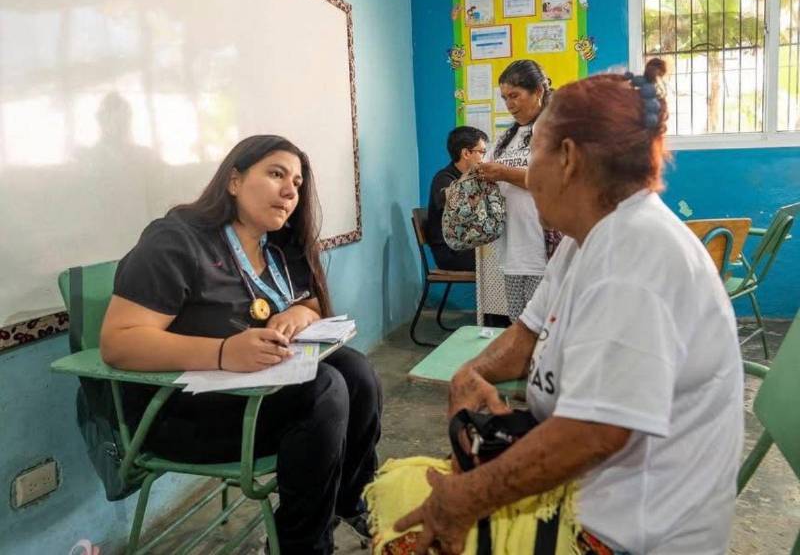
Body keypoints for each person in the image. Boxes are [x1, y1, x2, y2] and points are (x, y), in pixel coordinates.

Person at [396, 59, 744, 554]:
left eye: (532, 152)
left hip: (629, 534)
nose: (526, 172)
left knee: (412, 527)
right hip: (586, 498)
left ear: (568, 157)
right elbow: (526, 334)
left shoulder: (635, 257)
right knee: (405, 500)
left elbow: (593, 433)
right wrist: (470, 374)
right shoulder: (586, 239)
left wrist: (465, 499)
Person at [100, 135, 382, 555]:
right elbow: (118, 343)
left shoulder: (279, 245)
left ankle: (345, 499)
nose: (291, 191)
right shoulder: (176, 240)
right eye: (276, 174)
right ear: (234, 181)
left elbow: (313, 303)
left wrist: (297, 315)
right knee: (324, 389)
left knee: (357, 373)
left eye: (298, 183)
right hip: (182, 413)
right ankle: (303, 546)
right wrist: (222, 352)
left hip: (252, 396)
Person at [476, 59, 554, 321]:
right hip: (512, 247)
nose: (510, 104)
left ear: (538, 92)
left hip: (542, 247)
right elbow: (491, 172)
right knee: (516, 321)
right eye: (505, 97)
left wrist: (503, 173)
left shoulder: (554, 130)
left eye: (515, 95)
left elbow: (551, 180)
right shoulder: (507, 137)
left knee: (540, 325)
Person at [426, 126, 488, 272]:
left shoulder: (470, 179)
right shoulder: (444, 179)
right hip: (451, 253)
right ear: (466, 153)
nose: (484, 158)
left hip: (466, 246)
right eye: (482, 152)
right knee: (498, 259)